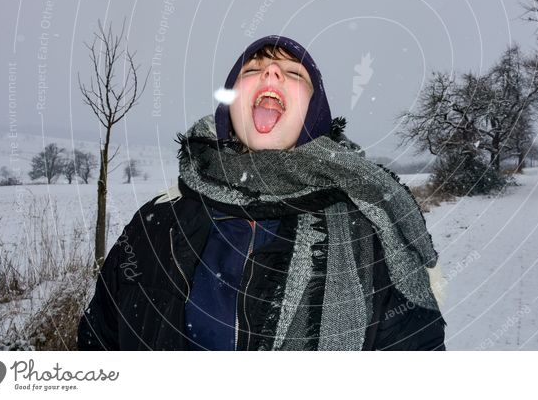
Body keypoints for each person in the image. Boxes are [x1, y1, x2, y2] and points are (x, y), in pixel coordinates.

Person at [77, 34, 447, 351]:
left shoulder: (369, 233)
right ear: (230, 107)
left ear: (316, 114)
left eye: (293, 73)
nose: (270, 72)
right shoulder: (156, 221)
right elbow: (98, 344)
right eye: (252, 70)